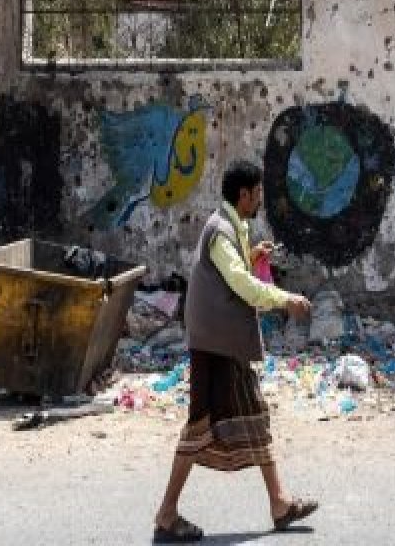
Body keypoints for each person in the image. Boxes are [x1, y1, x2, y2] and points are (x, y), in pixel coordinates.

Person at [153, 160, 318, 543]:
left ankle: (279, 502)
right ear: (243, 195)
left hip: (224, 342)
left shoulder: (231, 227)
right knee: (199, 426)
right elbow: (240, 283)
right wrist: (284, 299)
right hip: (215, 345)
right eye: (257, 192)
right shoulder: (221, 232)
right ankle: (166, 514)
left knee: (254, 415)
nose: (260, 198)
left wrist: (254, 253)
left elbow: (234, 270)